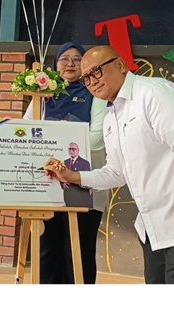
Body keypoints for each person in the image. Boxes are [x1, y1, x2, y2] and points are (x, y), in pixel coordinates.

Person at [44, 45, 174, 284]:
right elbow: (116, 172)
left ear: (120, 65)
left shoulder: (154, 93)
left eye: (96, 71)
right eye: (86, 78)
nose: (92, 81)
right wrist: (73, 176)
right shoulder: (111, 116)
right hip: (155, 225)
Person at [24, 42, 108, 284]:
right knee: (47, 250)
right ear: (55, 65)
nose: (70, 64)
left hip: (83, 187)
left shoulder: (95, 93)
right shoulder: (42, 95)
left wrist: (52, 145)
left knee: (78, 252)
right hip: (47, 185)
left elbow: (96, 139)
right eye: (64, 59)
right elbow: (27, 131)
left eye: (77, 59)